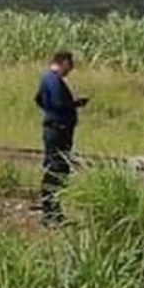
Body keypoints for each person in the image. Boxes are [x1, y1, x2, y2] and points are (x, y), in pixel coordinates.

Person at [34, 51, 87, 223]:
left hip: (54, 128)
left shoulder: (47, 78)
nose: (70, 69)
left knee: (55, 168)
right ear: (64, 62)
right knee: (58, 169)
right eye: (70, 65)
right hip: (59, 130)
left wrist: (50, 112)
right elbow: (58, 103)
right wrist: (72, 106)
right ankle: (51, 213)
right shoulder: (54, 80)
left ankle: (51, 211)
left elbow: (39, 99)